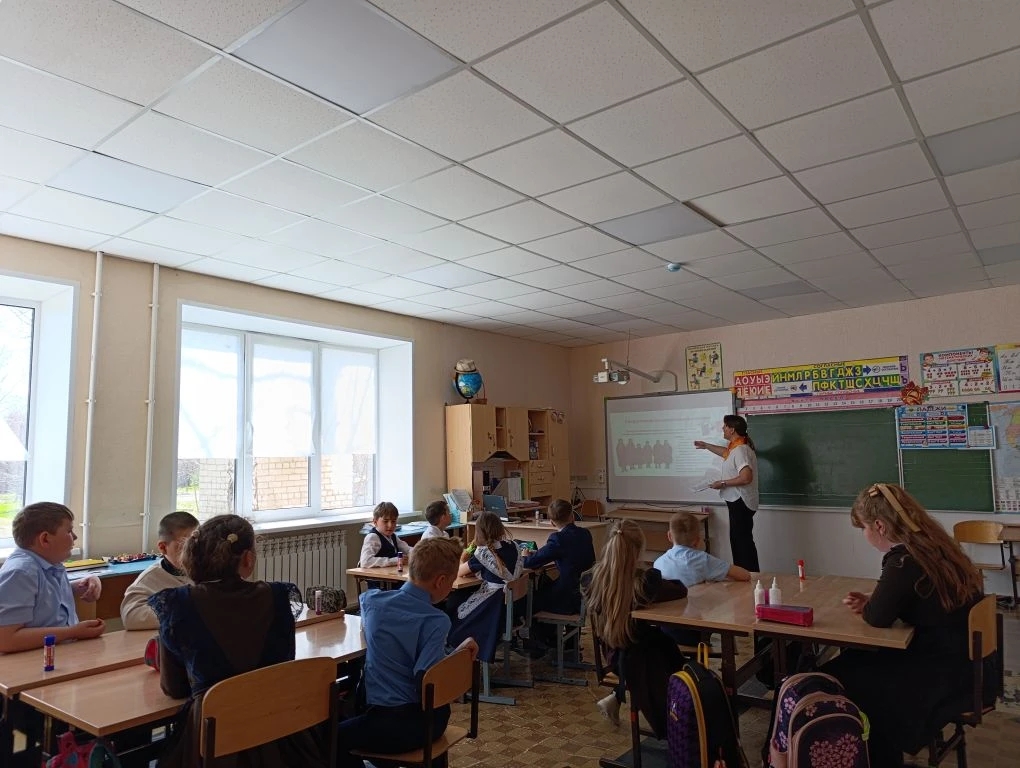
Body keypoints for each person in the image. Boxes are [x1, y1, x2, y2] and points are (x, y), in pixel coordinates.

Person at [821, 484, 989, 766]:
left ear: (879, 526)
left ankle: (873, 753)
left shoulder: (903, 561)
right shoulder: (933, 545)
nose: (865, 535)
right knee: (856, 662)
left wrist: (874, 605)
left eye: (864, 528)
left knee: (833, 676)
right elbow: (902, 600)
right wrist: (876, 600)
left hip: (938, 675)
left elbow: (877, 618)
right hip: (968, 666)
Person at [149, 514, 328, 768]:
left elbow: (174, 688)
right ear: (247, 559)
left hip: (215, 745)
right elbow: (284, 664)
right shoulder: (278, 597)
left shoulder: (178, 604)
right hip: (282, 738)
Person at [337, 537, 479, 768]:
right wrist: (458, 655)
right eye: (452, 581)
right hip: (427, 722)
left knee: (329, 738)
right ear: (441, 581)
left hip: (391, 721)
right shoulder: (436, 621)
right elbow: (426, 678)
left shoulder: (371, 602)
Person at [583, 520, 688, 733]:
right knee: (667, 651)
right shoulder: (646, 582)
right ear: (640, 549)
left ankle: (617, 695)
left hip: (611, 655)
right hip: (641, 660)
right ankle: (681, 723)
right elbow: (680, 590)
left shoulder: (590, 579)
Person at [0, 502, 104, 653]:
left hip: (61, 654)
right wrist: (73, 632)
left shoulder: (48, 563)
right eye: (69, 531)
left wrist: (85, 584)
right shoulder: (21, 572)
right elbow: (6, 639)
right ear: (45, 539)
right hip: (34, 662)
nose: (75, 537)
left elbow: (45, 596)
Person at [447, 512, 524, 664]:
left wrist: (464, 557)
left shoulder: (483, 553)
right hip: (513, 608)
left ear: (479, 531)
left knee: (454, 607)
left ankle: (454, 653)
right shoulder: (514, 547)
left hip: (493, 608)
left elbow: (459, 571)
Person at [521, 498, 596, 655]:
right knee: (546, 586)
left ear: (551, 522)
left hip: (568, 598)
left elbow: (532, 563)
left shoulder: (558, 539)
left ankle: (542, 643)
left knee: (531, 600)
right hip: (584, 593)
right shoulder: (585, 534)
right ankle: (567, 643)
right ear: (572, 516)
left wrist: (525, 556)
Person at [694, 414, 760, 571]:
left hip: (740, 501)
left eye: (725, 426)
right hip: (737, 501)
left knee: (742, 543)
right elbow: (725, 452)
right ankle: (744, 574)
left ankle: (749, 574)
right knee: (738, 541)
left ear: (732, 429)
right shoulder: (736, 448)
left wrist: (723, 483)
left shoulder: (741, 450)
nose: (722, 428)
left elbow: (746, 477)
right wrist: (706, 446)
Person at [120, 511, 199, 630]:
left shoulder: (208, 569)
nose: (194, 553)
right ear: (163, 548)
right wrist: (188, 611)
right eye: (184, 547)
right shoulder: (149, 579)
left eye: (197, 545)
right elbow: (131, 617)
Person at [654, 511, 751, 586]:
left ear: (669, 536)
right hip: (696, 605)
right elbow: (745, 575)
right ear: (697, 540)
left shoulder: (658, 563)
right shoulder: (702, 559)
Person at [359, 501, 411, 567]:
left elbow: (407, 549)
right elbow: (365, 562)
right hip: (376, 573)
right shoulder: (373, 537)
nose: (390, 525)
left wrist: (417, 553)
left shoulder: (393, 536)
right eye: (385, 521)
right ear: (375, 522)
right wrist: (394, 561)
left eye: (393, 521)